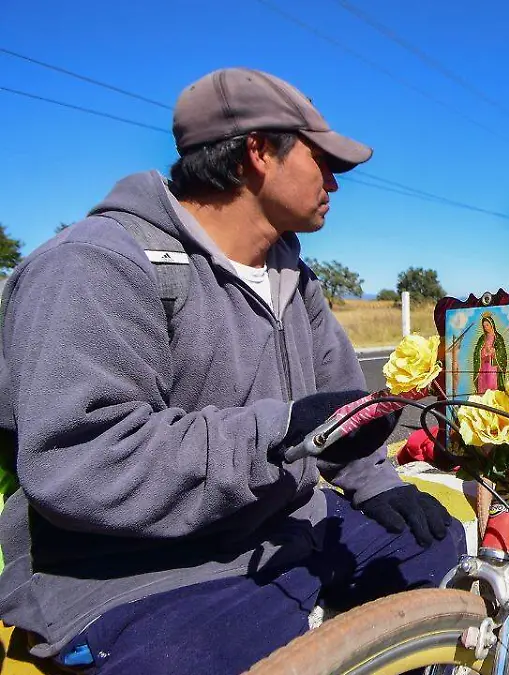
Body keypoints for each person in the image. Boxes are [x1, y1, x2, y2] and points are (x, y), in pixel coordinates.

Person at [0, 67, 462, 674]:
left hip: (281, 529)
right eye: (323, 162)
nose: (334, 184)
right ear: (259, 151)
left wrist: (377, 480)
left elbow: (336, 414)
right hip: (136, 573)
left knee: (437, 554)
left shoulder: (294, 279)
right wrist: (278, 431)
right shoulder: (94, 265)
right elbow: (81, 459)